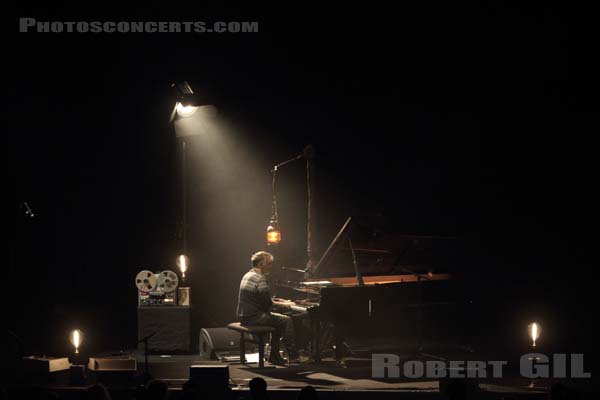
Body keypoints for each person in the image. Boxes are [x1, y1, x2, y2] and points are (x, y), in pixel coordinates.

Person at [237, 251, 297, 365]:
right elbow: (267, 304)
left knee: (278, 322)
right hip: (254, 317)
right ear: (260, 265)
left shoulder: (247, 275)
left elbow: (260, 299)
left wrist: (279, 302)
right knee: (287, 320)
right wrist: (286, 304)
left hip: (243, 315)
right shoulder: (260, 278)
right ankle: (293, 356)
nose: (271, 266)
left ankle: (274, 355)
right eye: (269, 264)